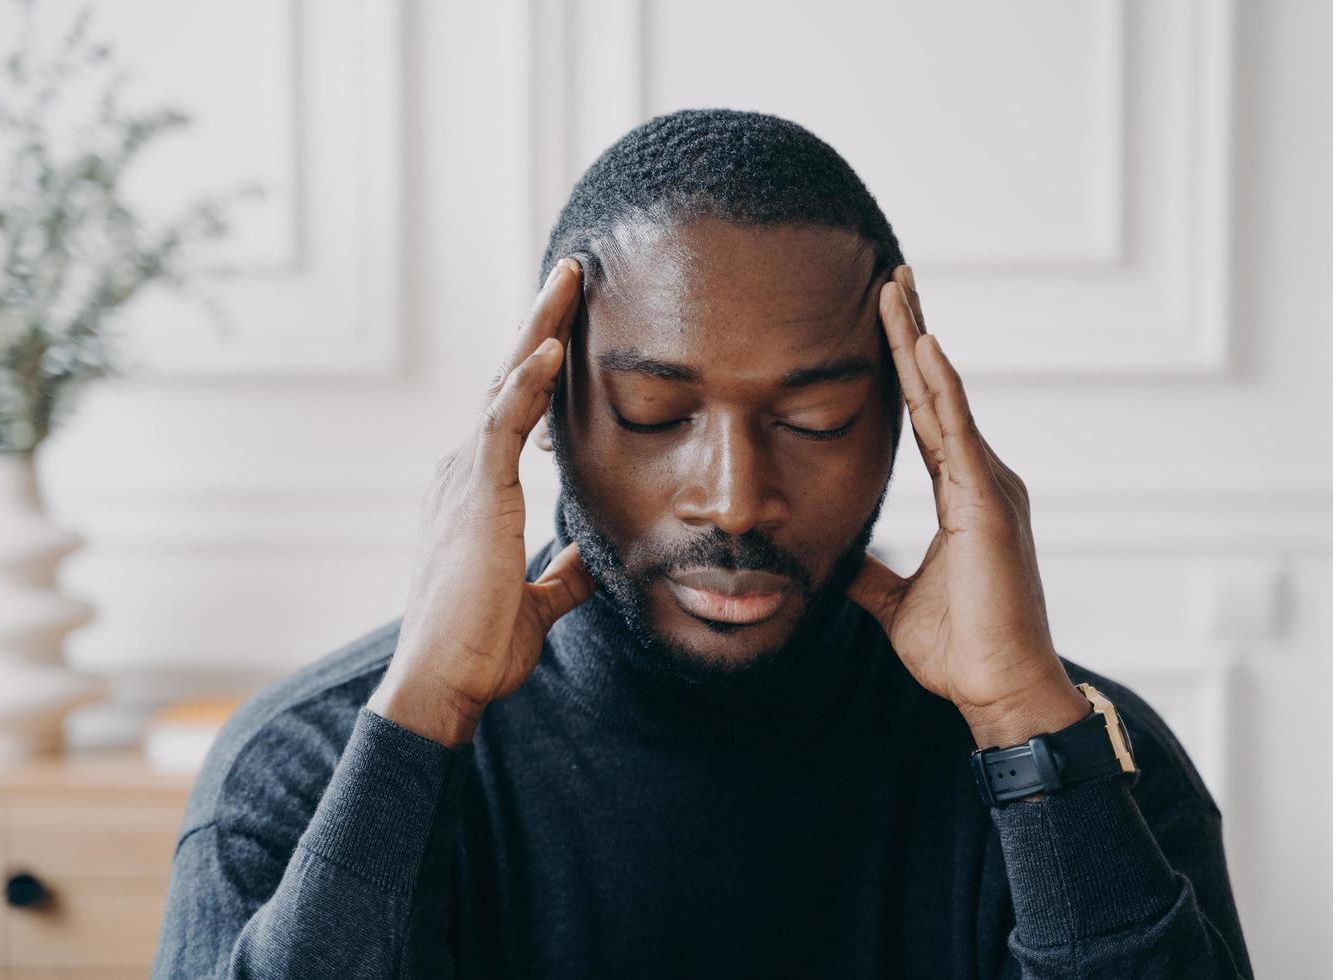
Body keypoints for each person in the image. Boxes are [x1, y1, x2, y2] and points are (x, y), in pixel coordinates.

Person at [150, 108, 1254, 979]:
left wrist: (1024, 721)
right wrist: (420, 721)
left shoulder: (1095, 771)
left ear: (907, 427)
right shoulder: (301, 773)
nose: (734, 498)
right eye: (653, 412)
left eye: (812, 419)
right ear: (544, 408)